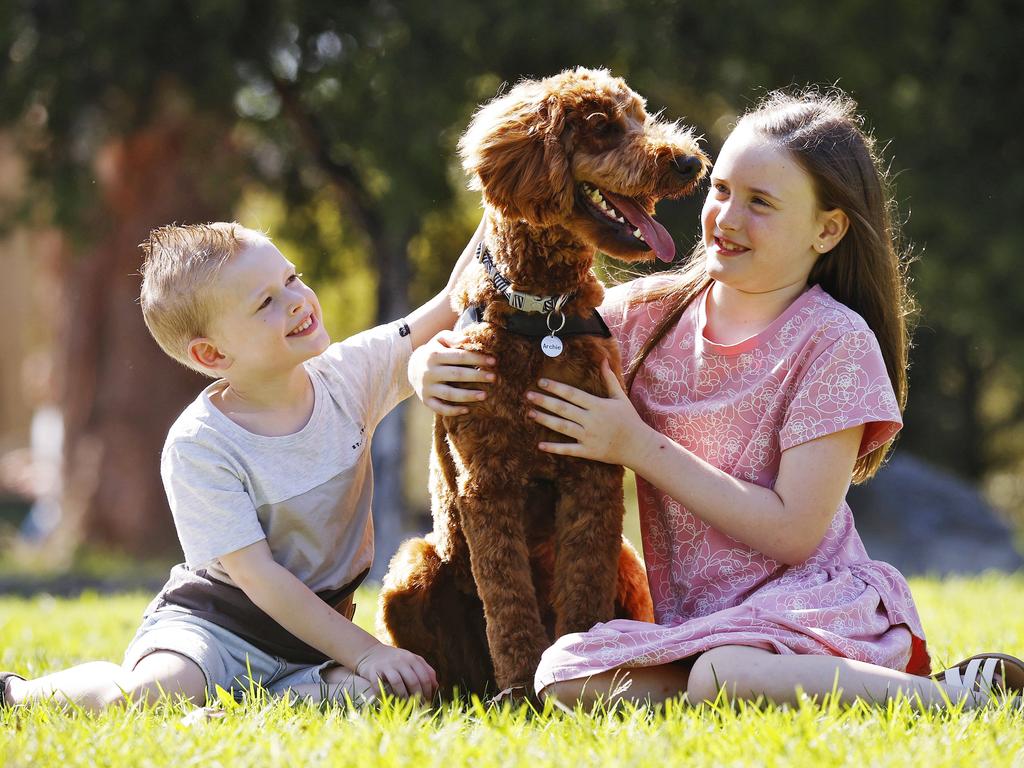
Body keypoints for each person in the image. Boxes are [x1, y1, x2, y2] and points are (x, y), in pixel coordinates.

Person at [409, 89, 1024, 709]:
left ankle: (944, 694)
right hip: (692, 627)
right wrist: (427, 363)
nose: (727, 219)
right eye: (721, 190)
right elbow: (506, 294)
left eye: (760, 203)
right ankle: (724, 678)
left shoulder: (834, 341)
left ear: (827, 229)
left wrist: (634, 444)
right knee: (567, 679)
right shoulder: (640, 319)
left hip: (813, 609)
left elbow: (793, 533)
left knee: (723, 674)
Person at [1, 220, 484, 713]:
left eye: (291, 279)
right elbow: (259, 579)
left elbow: (449, 303)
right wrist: (366, 650)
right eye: (265, 303)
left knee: (390, 698)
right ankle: (17, 694)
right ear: (212, 353)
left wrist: (500, 206)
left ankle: (248, 706)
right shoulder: (201, 446)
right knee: (152, 692)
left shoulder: (349, 377)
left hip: (313, 640)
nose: (296, 300)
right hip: (215, 628)